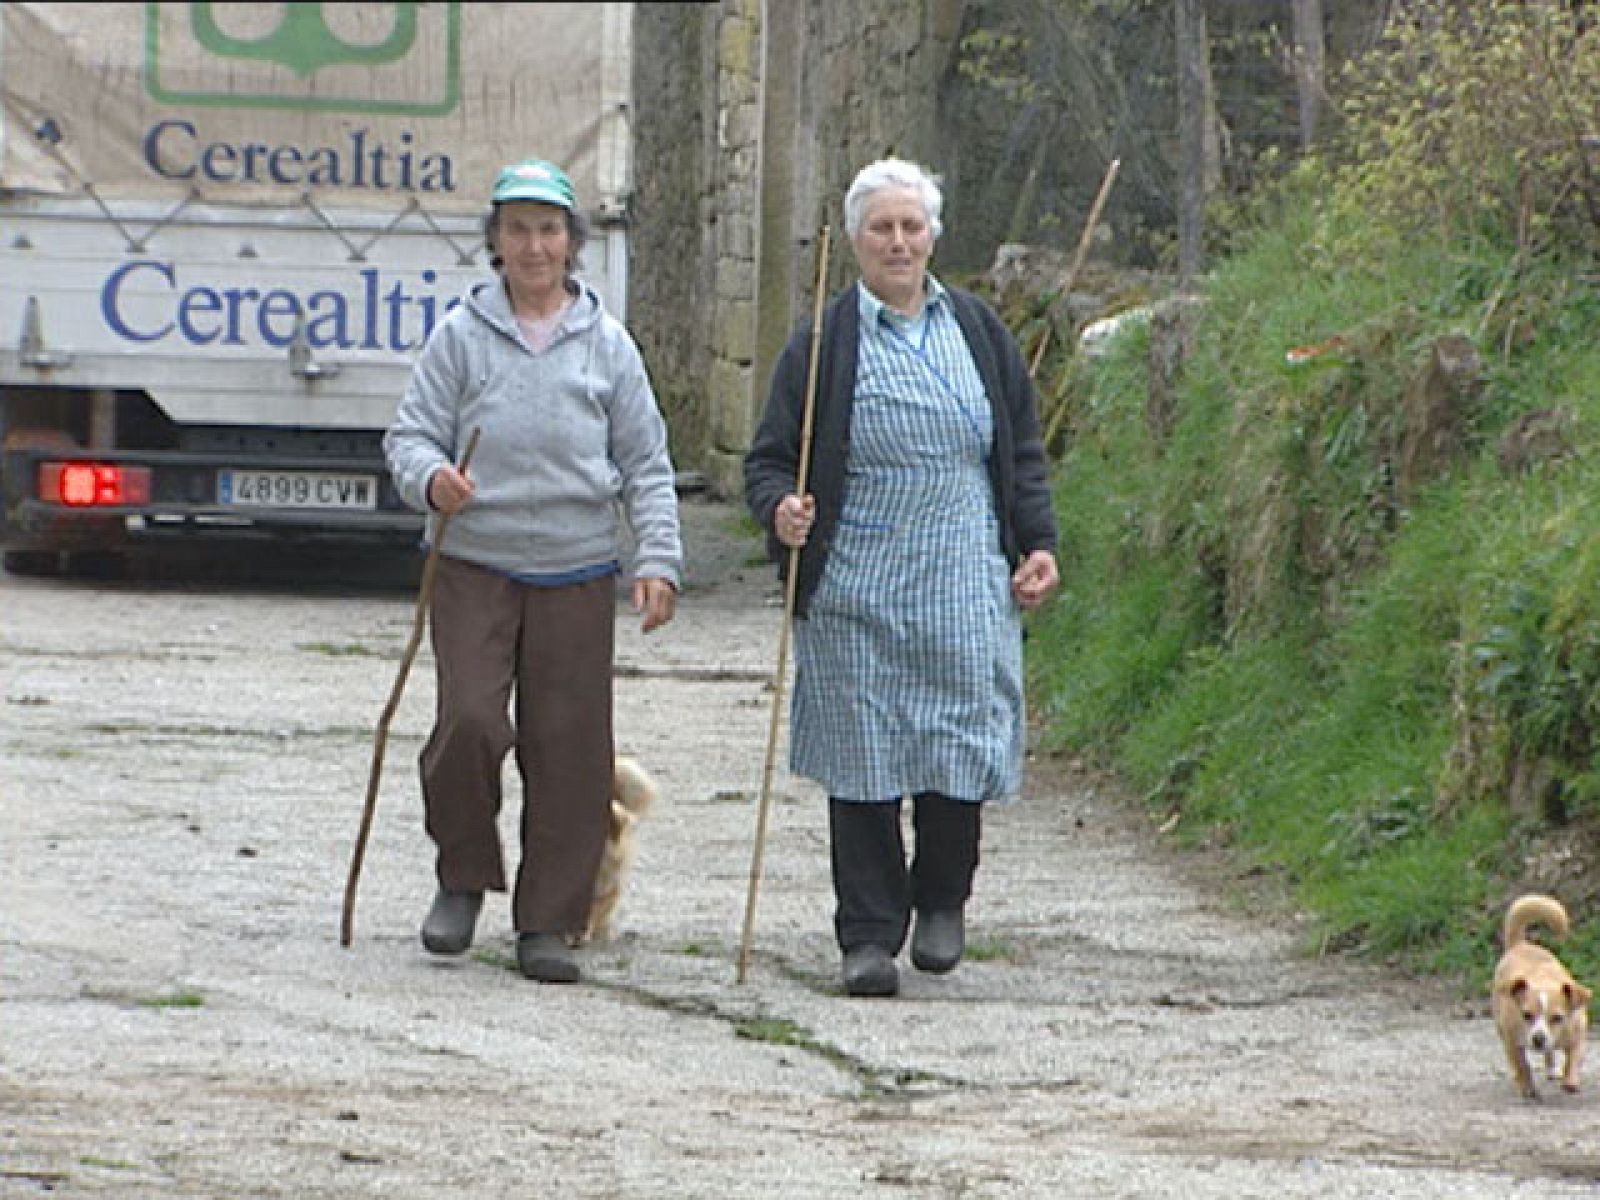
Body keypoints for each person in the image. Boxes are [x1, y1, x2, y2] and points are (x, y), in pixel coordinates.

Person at [743, 157, 1059, 997]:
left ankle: (943, 900)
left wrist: (1037, 544)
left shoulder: (980, 333)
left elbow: (1021, 453)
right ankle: (869, 936)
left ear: (933, 237)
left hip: (961, 576)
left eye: (911, 226)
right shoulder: (821, 342)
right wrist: (782, 512)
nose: (897, 241)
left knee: (958, 741)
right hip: (856, 583)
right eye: (881, 227)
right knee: (864, 756)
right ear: (854, 240)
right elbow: (771, 460)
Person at [384, 157, 681, 983]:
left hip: (577, 568)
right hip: (474, 562)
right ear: (496, 242)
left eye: (548, 229)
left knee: (570, 749)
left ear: (571, 243)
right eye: (517, 229)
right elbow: (409, 438)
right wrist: (433, 480)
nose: (534, 245)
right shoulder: (461, 336)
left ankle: (548, 921)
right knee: (469, 725)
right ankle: (462, 878)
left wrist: (657, 557)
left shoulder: (607, 344)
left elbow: (646, 462)